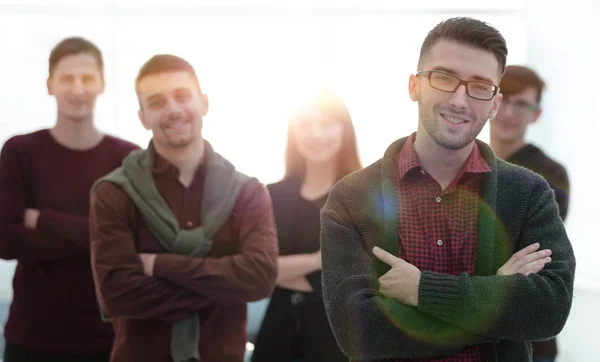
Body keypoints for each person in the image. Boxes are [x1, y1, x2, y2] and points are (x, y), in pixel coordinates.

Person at [320, 17, 576, 362]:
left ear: (494, 104)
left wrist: (420, 290)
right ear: (414, 86)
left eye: (480, 86)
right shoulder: (351, 198)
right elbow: (361, 334)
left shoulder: (530, 193)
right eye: (444, 78)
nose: (460, 100)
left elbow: (548, 309)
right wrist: (495, 299)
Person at [89, 54, 278, 362]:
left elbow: (259, 277)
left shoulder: (247, 191)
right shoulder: (114, 192)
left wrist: (159, 266)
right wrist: (223, 287)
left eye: (182, 96)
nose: (173, 110)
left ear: (203, 102)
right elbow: (116, 294)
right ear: (142, 117)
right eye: (157, 102)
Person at [0, 37, 139, 362]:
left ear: (102, 84)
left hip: (110, 342)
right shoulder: (19, 152)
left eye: (87, 78)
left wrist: (44, 221)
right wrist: (100, 236)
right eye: (67, 78)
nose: (78, 88)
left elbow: (133, 245)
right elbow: (5, 241)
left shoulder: (129, 159)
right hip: (31, 342)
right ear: (50, 85)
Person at [251, 90, 361, 362]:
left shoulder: (363, 194)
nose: (316, 133)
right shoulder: (272, 195)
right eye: (305, 125)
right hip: (277, 331)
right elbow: (257, 269)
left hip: (338, 335)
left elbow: (360, 272)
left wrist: (285, 271)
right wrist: (318, 259)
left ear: (344, 130)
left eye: (326, 123)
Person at [490, 65, 570, 362]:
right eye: (504, 100)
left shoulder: (551, 174)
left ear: (536, 114)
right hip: (470, 331)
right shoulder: (460, 162)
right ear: (491, 102)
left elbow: (534, 253)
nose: (509, 112)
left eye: (521, 104)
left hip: (531, 338)